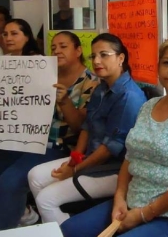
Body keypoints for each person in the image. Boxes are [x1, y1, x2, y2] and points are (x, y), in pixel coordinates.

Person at [60, 36, 168, 237]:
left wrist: (144, 214)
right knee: (68, 231)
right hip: (133, 203)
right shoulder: (148, 107)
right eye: (167, 62)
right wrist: (120, 198)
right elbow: (130, 158)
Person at [0, 22, 100, 231]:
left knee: (9, 183)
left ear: (78, 51)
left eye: (63, 46)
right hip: (29, 138)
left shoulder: (91, 83)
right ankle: (22, 213)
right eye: (54, 47)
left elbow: (80, 127)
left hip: (58, 145)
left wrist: (65, 101)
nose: (57, 50)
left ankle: (2, 231)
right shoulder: (43, 73)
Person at [28, 33, 146, 226]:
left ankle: (67, 230)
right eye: (93, 56)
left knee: (45, 199)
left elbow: (110, 150)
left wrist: (75, 170)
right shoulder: (101, 88)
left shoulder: (128, 97)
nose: (97, 61)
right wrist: (74, 159)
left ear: (121, 58)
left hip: (116, 169)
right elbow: (87, 127)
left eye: (104, 55)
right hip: (91, 158)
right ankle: (59, 226)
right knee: (34, 176)